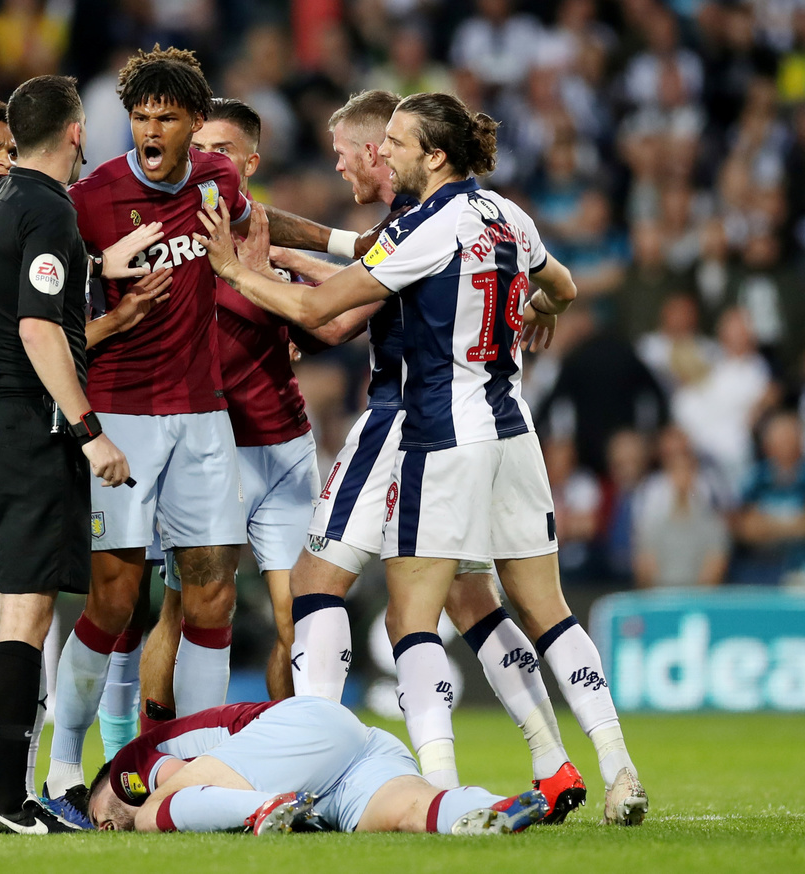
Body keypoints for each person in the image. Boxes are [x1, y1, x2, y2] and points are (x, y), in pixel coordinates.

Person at [196, 91, 649, 826]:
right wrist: (536, 311)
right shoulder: (507, 213)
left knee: (406, 614)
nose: (383, 153)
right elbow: (561, 286)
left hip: (435, 431)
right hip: (513, 429)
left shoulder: (424, 227)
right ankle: (610, 767)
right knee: (536, 608)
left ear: (433, 154)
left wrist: (235, 270)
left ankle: (430, 788)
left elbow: (320, 314)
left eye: (397, 142)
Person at [45, 45, 381, 817]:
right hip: (122, 415)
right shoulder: (91, 198)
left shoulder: (218, 180)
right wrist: (100, 275)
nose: (150, 130)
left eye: (165, 118)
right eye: (140, 116)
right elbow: (45, 298)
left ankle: (198, 761)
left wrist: (339, 244)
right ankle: (65, 766)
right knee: (115, 603)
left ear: (194, 123)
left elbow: (259, 221)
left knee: (212, 596)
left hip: (204, 422)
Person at [270, 90, 586, 820]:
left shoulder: (419, 225)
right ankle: (553, 759)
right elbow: (353, 250)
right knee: (473, 600)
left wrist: (254, 276)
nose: (349, 164)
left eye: (355, 151)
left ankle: (327, 767)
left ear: (387, 151)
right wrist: (285, 242)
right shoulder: (454, 218)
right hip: (482, 425)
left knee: (321, 581)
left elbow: (339, 314)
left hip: (407, 420)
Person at [0, 75, 158, 836]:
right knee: (26, 612)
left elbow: (15, 293)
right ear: (76, 133)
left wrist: (97, 266)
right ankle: (9, 800)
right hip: (30, 427)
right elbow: (39, 327)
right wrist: (90, 432)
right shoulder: (51, 209)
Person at [85, 696, 548, 836]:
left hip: (298, 731)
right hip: (351, 753)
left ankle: (266, 809)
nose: (105, 827)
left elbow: (177, 786)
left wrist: (144, 810)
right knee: (413, 810)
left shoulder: (130, 764)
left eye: (96, 815)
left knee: (150, 815)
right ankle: (491, 806)